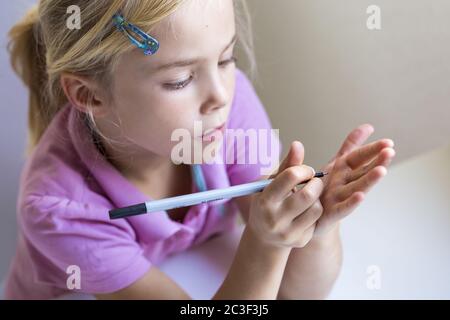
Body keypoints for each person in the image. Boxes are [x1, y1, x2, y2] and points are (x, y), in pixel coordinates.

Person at [5, 0, 395, 299]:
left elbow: (299, 292)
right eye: (179, 80)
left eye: (227, 58)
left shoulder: (227, 106)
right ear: (89, 95)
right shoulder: (57, 207)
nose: (221, 95)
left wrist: (314, 225)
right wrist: (265, 243)